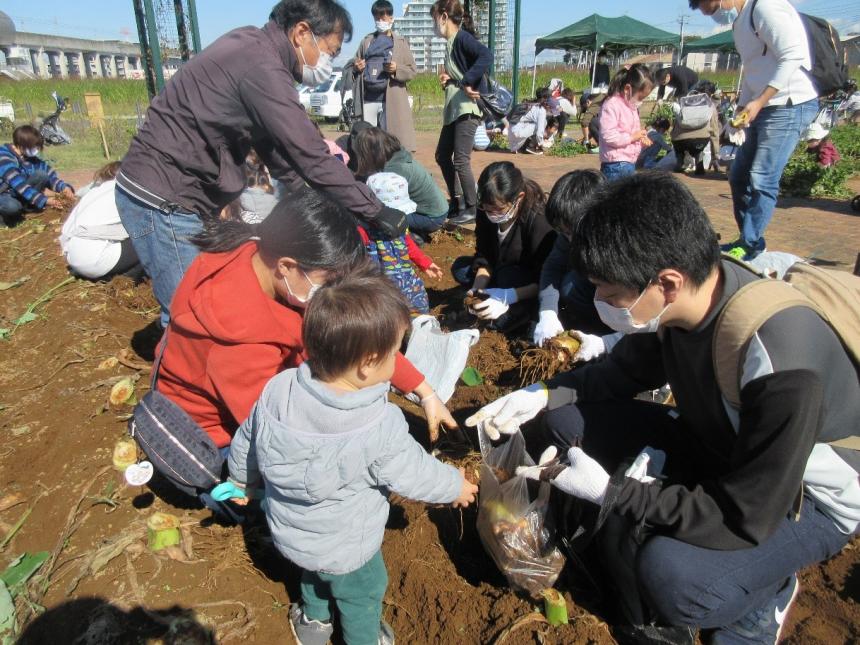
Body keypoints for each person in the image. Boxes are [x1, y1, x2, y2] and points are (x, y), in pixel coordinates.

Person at [467, 172, 858, 644]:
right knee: (565, 422)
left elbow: (745, 514)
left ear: (667, 282)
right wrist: (543, 395)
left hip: (801, 496)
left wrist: (613, 493)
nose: (600, 303)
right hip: (718, 441)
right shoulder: (685, 302)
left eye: (610, 294)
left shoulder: (781, 364)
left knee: (672, 576)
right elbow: (618, 376)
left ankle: (762, 596)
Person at [116, 0, 408, 328]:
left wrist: (310, 202)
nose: (327, 62)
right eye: (330, 50)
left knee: (206, 298)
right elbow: (311, 154)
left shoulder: (252, 49)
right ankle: (179, 375)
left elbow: (277, 151)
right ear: (301, 33)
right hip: (162, 199)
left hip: (169, 193)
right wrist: (376, 210)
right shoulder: (262, 66)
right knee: (189, 311)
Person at [226, 268, 478, 645]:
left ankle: (313, 623)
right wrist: (455, 486)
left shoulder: (278, 390)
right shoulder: (377, 426)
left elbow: (248, 438)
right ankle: (361, 639)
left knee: (313, 575)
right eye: (395, 353)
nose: (399, 361)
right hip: (348, 547)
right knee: (363, 591)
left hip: (292, 532)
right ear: (367, 363)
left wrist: (241, 480)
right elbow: (414, 472)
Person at [155, 186, 456, 501]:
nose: (334, 292)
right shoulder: (237, 340)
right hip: (218, 435)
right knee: (316, 494)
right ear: (286, 266)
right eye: (329, 282)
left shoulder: (263, 255)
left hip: (248, 396)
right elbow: (274, 429)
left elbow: (359, 334)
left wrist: (425, 392)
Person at [689, 0, 819, 261]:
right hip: (762, 105)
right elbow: (752, 71)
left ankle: (749, 244)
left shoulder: (766, 8)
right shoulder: (741, 21)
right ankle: (751, 240)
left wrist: (760, 101)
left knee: (763, 177)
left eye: (710, 8)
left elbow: (792, 56)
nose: (712, 15)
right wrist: (741, 107)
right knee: (738, 176)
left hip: (789, 104)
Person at [453, 161, 556, 333]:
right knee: (460, 269)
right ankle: (496, 294)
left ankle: (521, 311)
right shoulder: (485, 210)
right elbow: (484, 255)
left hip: (526, 280)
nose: (492, 215)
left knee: (506, 277)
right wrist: (478, 288)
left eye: (499, 210)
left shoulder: (538, 220)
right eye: (487, 209)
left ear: (519, 198)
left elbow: (547, 278)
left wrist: (509, 296)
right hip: (499, 269)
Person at [431, 0, 492, 227]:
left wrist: (466, 81)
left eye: (434, 19)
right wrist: (453, 80)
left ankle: (473, 207)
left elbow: (486, 55)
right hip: (455, 109)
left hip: (467, 109)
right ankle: (458, 202)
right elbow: (463, 70)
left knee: (461, 160)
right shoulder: (451, 42)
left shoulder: (463, 38)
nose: (433, 24)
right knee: (442, 155)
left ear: (444, 17)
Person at [533, 170, 611, 347]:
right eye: (563, 231)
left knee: (572, 287)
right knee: (571, 285)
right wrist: (548, 312)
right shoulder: (571, 232)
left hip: (628, 310)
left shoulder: (622, 240)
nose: (567, 238)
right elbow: (553, 266)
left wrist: (605, 344)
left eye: (570, 232)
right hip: (594, 292)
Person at [363, 171, 441, 314]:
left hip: (405, 276)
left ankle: (418, 326)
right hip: (379, 282)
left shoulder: (399, 224)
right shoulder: (363, 231)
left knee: (419, 302)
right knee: (384, 312)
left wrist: (424, 263)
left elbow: (408, 244)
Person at [352, 126, 448, 238]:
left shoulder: (392, 171)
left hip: (431, 217)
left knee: (375, 218)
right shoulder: (397, 155)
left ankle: (410, 237)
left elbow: (377, 204)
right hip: (437, 211)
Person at [351, 0, 418, 152]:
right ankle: (369, 172)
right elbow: (354, 65)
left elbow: (412, 70)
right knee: (368, 142)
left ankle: (390, 170)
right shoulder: (366, 41)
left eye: (383, 17)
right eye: (377, 18)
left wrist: (396, 69)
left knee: (391, 141)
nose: (381, 21)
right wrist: (357, 67)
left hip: (391, 99)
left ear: (391, 17)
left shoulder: (400, 42)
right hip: (368, 99)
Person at [59, 162, 142, 281]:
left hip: (72, 256)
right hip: (94, 260)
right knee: (150, 237)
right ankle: (124, 279)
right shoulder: (126, 190)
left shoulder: (94, 192)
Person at [0, 125, 74, 227]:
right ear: (21, 145)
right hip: (3, 194)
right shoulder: (3, 156)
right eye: (33, 146)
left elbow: (49, 174)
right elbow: (18, 184)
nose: (36, 150)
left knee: (41, 174)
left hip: (16, 193)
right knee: (12, 207)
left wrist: (64, 187)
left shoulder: (28, 157)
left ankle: (27, 208)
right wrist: (44, 200)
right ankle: (4, 218)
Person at [598, 64, 655, 181]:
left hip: (628, 164)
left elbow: (632, 133)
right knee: (615, 198)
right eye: (640, 98)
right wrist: (632, 137)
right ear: (627, 89)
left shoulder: (632, 107)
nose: (641, 102)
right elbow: (608, 136)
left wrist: (640, 139)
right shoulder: (612, 104)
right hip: (615, 166)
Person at [670, 81, 721, 176]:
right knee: (699, 147)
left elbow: (676, 122)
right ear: (711, 94)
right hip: (699, 140)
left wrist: (674, 137)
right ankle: (699, 161)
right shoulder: (710, 105)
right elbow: (715, 132)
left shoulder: (684, 101)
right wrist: (715, 155)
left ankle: (680, 160)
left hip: (679, 140)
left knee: (680, 146)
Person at [508, 89, 555, 155]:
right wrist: (541, 144)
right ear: (545, 99)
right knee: (543, 123)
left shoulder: (530, 103)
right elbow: (539, 132)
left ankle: (523, 146)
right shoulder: (541, 110)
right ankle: (530, 147)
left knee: (536, 123)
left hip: (511, 135)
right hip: (517, 134)